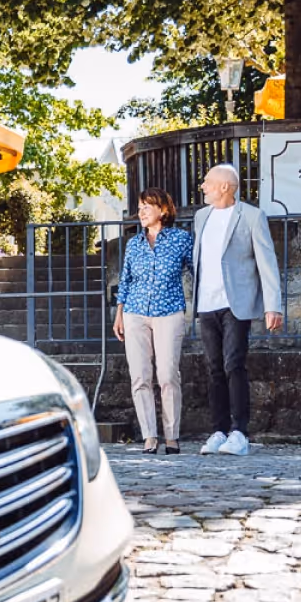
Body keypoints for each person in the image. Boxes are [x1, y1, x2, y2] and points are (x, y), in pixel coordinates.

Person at [193, 163, 283, 457]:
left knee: (234, 364)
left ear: (224, 186)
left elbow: (266, 262)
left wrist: (273, 306)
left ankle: (239, 433)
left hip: (236, 303)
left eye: (207, 182)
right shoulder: (200, 217)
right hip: (206, 303)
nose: (202, 186)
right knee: (213, 368)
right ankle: (218, 431)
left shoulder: (252, 216)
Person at [113, 189, 193, 454]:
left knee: (168, 375)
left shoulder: (181, 239)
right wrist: (119, 314)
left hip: (169, 312)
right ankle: (149, 436)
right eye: (140, 207)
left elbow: (197, 271)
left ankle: (172, 436)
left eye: (147, 206)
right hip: (134, 312)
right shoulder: (133, 244)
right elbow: (125, 281)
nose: (142, 211)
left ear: (163, 210)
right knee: (140, 376)